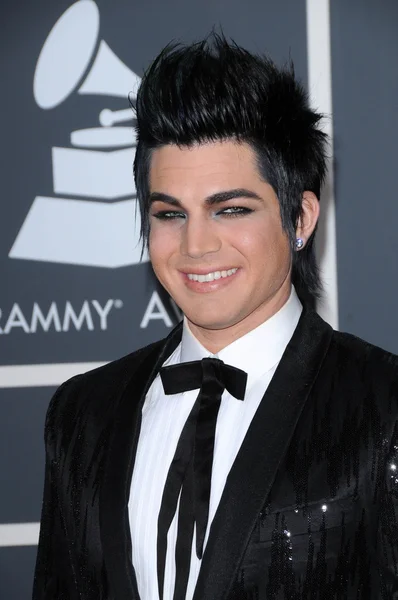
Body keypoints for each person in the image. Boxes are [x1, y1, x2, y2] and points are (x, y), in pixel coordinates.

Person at [33, 35, 398, 600]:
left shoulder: (384, 405)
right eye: (170, 213)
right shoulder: (81, 413)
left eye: (230, 209)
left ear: (299, 217)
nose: (196, 245)